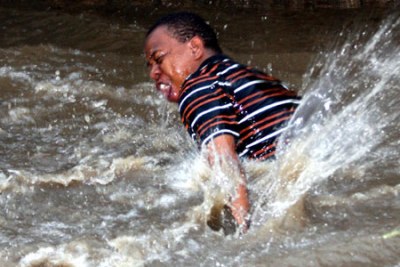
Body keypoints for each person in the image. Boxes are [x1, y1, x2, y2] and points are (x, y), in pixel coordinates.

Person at [144, 11, 301, 233]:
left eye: (159, 59)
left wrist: (245, 235)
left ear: (195, 47)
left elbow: (225, 162)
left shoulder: (197, 87)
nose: (153, 73)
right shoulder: (249, 76)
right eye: (149, 66)